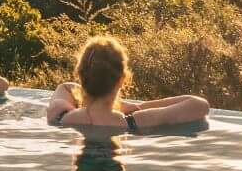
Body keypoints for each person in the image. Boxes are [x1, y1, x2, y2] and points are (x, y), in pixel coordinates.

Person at [45, 35, 210, 136]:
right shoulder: (136, 122)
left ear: (81, 75)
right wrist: (139, 106)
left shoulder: (58, 115)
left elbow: (66, 87)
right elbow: (199, 105)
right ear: (122, 80)